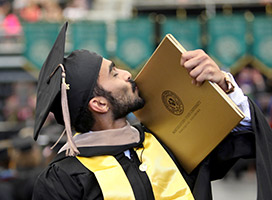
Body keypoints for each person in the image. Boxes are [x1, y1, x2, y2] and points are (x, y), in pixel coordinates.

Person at [32, 22, 272, 200]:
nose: (127, 74)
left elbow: (248, 139)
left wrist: (224, 87)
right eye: (114, 73)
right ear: (100, 105)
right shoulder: (63, 180)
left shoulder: (167, 139)